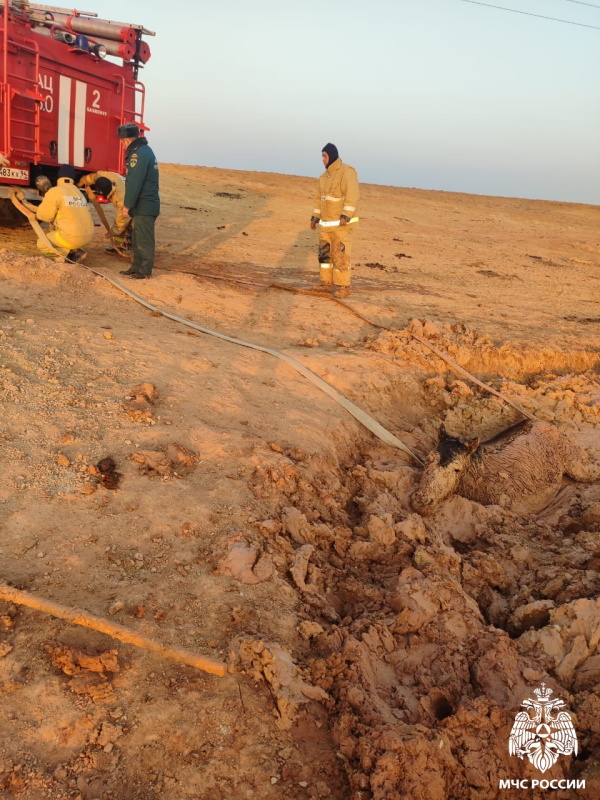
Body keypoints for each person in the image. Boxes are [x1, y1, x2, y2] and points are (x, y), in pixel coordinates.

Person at [310, 143, 359, 299]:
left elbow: (353, 195)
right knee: (324, 257)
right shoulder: (323, 177)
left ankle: (343, 286)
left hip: (340, 227)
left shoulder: (347, 172)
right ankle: (325, 284)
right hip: (326, 226)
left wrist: (346, 215)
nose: (323, 159)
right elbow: (319, 199)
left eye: (325, 156)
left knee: (340, 256)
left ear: (332, 155)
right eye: (322, 156)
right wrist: (315, 217)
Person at [116, 123, 160, 279]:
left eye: (122, 142)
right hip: (143, 204)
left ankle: (145, 270)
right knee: (136, 238)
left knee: (144, 239)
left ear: (126, 140)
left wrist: (127, 205)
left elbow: (134, 182)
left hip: (145, 205)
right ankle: (136, 267)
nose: (122, 145)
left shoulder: (138, 154)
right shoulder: (144, 150)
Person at [35, 164, 94, 263]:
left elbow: (44, 216)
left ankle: (70, 255)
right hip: (88, 237)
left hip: (73, 238)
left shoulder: (55, 191)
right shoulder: (78, 193)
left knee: (42, 243)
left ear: (59, 176)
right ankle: (78, 249)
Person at [77, 171, 131, 252]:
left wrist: (113, 232)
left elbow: (122, 219)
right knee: (120, 226)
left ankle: (130, 248)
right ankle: (118, 246)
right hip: (128, 195)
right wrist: (83, 181)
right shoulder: (102, 176)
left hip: (138, 204)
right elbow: (93, 177)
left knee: (127, 226)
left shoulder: (121, 198)